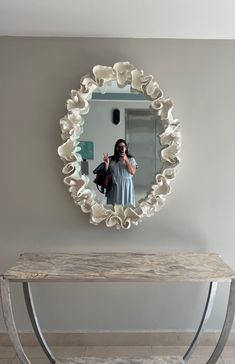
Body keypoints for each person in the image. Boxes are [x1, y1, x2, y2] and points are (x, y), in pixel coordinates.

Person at [103, 139, 137, 206]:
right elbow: (107, 174)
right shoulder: (111, 159)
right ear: (116, 148)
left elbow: (132, 172)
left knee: (127, 208)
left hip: (127, 187)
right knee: (115, 209)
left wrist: (126, 159)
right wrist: (106, 164)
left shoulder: (131, 159)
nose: (122, 149)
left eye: (123, 146)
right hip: (115, 187)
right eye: (119, 147)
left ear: (126, 148)